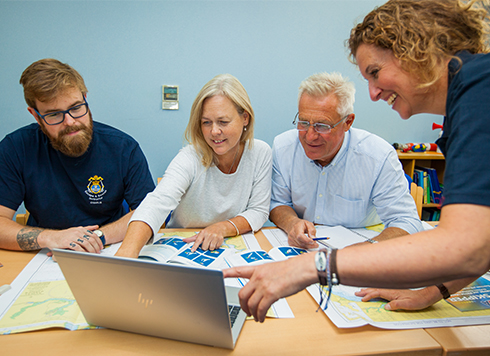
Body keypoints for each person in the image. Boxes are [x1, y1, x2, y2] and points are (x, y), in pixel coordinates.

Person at [224, 0, 490, 321]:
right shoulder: (466, 102)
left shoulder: (479, 93)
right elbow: (483, 242)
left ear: (416, 49)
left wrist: (311, 267)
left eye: (375, 73)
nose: (374, 93)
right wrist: (433, 291)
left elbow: (465, 246)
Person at [0, 59, 155, 254]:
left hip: (106, 249)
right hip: (44, 253)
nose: (70, 122)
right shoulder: (15, 148)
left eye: (76, 108)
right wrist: (51, 238)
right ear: (35, 115)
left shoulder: (124, 148)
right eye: (54, 114)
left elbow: (150, 212)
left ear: (85, 97)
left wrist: (93, 239)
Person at [115, 74, 272, 258]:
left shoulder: (261, 152)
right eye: (206, 122)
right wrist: (127, 253)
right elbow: (156, 203)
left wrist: (222, 228)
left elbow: (259, 211)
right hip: (184, 246)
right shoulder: (190, 157)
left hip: (231, 247)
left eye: (223, 122)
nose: (214, 131)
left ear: (245, 118)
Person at [270, 72, 422, 249]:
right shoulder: (283, 147)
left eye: (322, 126)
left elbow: (406, 221)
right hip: (302, 248)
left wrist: (365, 249)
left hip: (365, 247)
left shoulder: (378, 157)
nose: (310, 136)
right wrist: (291, 223)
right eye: (303, 123)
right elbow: (278, 203)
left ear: (348, 122)